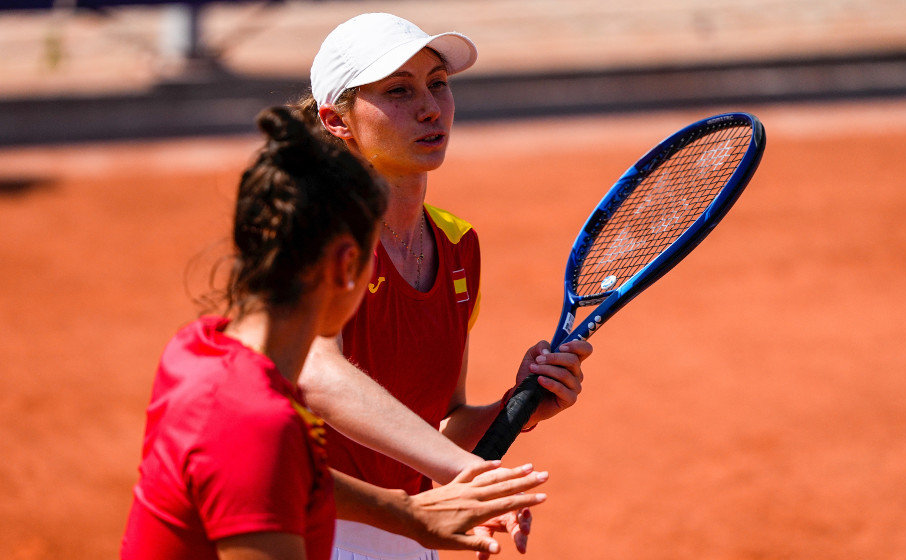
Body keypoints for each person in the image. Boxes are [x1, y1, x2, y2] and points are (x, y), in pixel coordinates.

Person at [120, 106, 551, 560]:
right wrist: (449, 486)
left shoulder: (193, 351)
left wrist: (410, 515)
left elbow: (293, 473)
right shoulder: (256, 424)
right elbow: (274, 447)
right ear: (349, 265)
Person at [294, 13, 594, 560]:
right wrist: (465, 473)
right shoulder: (320, 228)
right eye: (399, 91)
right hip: (312, 530)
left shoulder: (458, 245)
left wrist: (516, 407)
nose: (431, 107)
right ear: (337, 120)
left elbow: (441, 422)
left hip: (410, 534)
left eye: (438, 83)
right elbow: (317, 375)